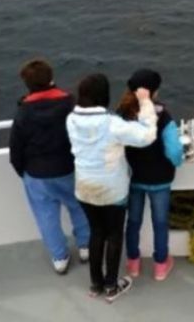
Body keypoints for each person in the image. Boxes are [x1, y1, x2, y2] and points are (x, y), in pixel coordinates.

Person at [66, 73, 157, 303]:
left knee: (96, 233)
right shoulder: (113, 124)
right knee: (114, 236)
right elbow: (147, 136)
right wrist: (146, 102)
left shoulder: (71, 119)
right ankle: (111, 286)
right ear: (104, 96)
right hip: (112, 190)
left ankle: (95, 284)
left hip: (84, 188)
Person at [9, 58, 90, 274]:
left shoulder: (23, 113)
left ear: (28, 85)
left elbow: (15, 150)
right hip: (69, 168)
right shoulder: (69, 104)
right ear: (51, 78)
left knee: (46, 216)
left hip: (37, 174)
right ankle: (85, 246)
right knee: (79, 207)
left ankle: (60, 257)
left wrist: (24, 173)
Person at [118, 69, 184, 282]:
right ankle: (160, 266)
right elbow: (174, 151)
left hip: (134, 179)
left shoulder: (121, 113)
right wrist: (178, 161)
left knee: (133, 221)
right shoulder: (163, 116)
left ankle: (133, 264)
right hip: (160, 181)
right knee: (160, 222)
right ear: (154, 92)